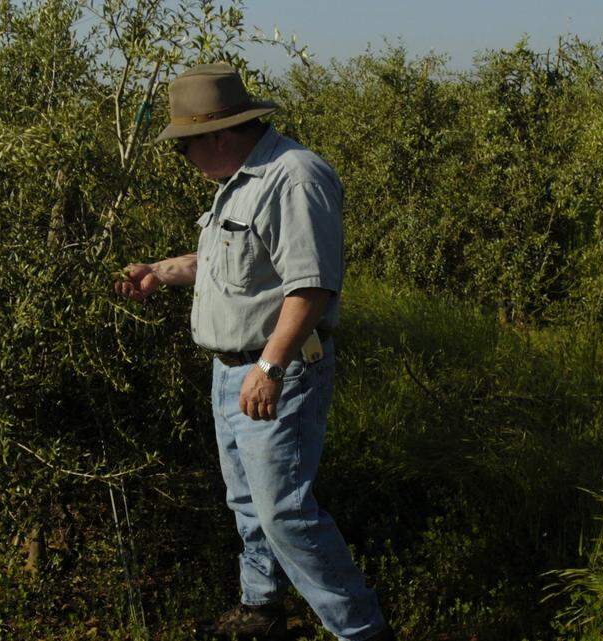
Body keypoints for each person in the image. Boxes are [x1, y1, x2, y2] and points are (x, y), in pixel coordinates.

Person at [113, 63, 394, 641]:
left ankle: (361, 630)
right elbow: (228, 267)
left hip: (278, 372)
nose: (183, 159)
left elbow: (311, 286)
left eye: (183, 147)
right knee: (247, 503)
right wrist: (159, 273)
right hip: (231, 372)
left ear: (217, 135)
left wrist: (269, 366)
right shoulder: (237, 181)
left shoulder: (293, 178)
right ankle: (261, 609)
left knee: (285, 513)